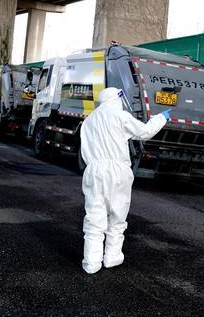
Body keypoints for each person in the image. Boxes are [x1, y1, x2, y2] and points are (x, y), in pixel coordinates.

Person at [80, 87, 171, 274]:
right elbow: (144, 132)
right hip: (118, 170)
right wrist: (161, 117)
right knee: (117, 216)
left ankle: (91, 262)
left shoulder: (88, 121)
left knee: (94, 217)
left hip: (94, 170)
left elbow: (84, 149)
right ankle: (112, 258)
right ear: (116, 99)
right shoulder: (120, 116)